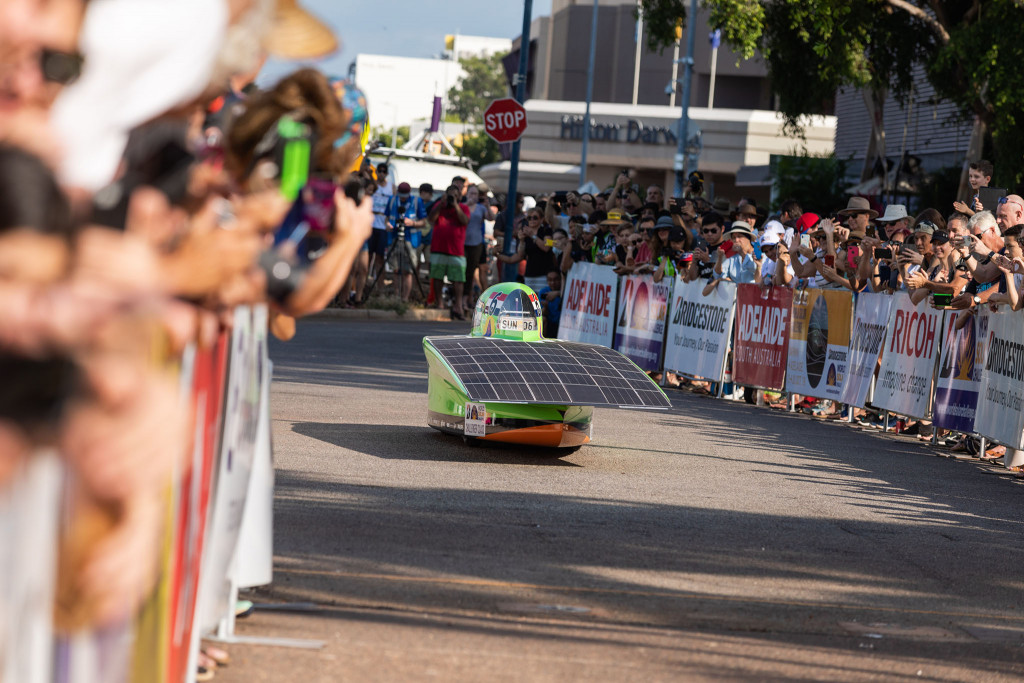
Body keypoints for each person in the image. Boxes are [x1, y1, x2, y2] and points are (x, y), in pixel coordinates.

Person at [428, 184, 470, 319]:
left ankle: (458, 306)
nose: (452, 197)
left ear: (460, 197)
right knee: (437, 277)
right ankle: (439, 302)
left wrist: (456, 204)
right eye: (450, 194)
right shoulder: (440, 206)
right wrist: (442, 203)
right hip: (438, 248)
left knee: (458, 280)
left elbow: (465, 221)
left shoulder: (463, 208)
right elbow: (431, 220)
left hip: (456, 250)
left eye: (455, 195)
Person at [385, 181, 428, 302]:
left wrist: (413, 223)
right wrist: (388, 224)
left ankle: (405, 298)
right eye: (401, 196)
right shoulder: (393, 200)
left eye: (405, 196)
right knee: (396, 269)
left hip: (410, 240)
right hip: (394, 237)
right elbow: (387, 218)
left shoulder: (416, 201)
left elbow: (424, 222)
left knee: (408, 270)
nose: (402, 199)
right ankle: (396, 296)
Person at [498, 207, 558, 291]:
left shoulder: (546, 231)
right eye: (529, 218)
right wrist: (522, 240)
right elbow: (520, 255)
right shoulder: (525, 233)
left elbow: (546, 247)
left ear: (541, 219)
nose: (532, 220)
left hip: (544, 274)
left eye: (535, 217)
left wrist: (533, 235)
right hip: (530, 275)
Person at [462, 184, 489, 307]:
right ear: (467, 194)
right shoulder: (462, 206)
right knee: (462, 271)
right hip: (462, 242)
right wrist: (467, 204)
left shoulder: (480, 208)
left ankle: (467, 298)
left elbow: (491, 217)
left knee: (471, 271)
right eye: (471, 193)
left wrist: (487, 205)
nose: (473, 196)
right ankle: (462, 297)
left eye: (475, 194)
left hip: (476, 242)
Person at [687, 211, 730, 281]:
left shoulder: (728, 248)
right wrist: (694, 261)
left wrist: (708, 261)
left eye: (713, 230)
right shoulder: (703, 249)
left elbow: (724, 276)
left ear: (722, 229)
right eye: (706, 231)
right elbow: (692, 278)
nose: (709, 234)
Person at [536, 270, 563, 338]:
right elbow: (541, 313)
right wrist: (545, 307)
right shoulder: (543, 292)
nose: (553, 283)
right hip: (550, 324)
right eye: (550, 280)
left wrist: (558, 293)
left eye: (556, 279)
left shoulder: (565, 291)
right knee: (543, 319)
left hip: (562, 324)